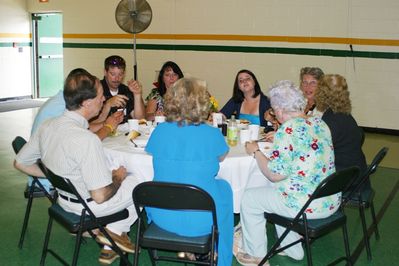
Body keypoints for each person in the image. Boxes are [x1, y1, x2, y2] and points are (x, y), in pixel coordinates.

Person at [14, 69, 139, 265]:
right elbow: (100, 196)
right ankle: (113, 232)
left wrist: (58, 177)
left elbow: (19, 162)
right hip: (88, 206)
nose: (104, 99)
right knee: (137, 181)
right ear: (87, 103)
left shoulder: (48, 125)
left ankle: (109, 233)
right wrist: (118, 177)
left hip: (63, 201)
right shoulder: (87, 140)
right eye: (100, 96)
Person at [235, 80, 337, 265]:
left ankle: (255, 255)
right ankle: (292, 248)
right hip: (329, 200)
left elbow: (274, 174)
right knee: (277, 190)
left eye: (274, 111)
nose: (275, 115)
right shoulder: (319, 123)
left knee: (250, 198)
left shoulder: (287, 130)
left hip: (305, 205)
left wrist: (256, 151)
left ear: (280, 110)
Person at [145, 77, 234, 266]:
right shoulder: (211, 134)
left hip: (162, 216)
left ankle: (190, 249)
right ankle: (221, 257)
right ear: (203, 103)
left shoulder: (159, 131)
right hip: (203, 221)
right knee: (225, 187)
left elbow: (152, 152)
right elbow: (222, 156)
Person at [29, 68, 124, 192]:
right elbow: (86, 139)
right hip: (54, 178)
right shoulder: (63, 108)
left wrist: (107, 123)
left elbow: (86, 128)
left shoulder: (66, 104)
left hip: (55, 169)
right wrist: (108, 127)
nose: (103, 99)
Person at [315, 74, 368, 190]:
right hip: (356, 170)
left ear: (322, 95)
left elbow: (315, 151)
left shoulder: (331, 121)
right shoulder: (343, 115)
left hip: (344, 177)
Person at [100, 55, 145, 123]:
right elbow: (91, 125)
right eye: (113, 74)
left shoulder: (126, 90)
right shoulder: (96, 90)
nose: (117, 78)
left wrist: (137, 94)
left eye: (120, 74)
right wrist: (107, 105)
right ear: (105, 72)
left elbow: (139, 120)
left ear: (124, 74)